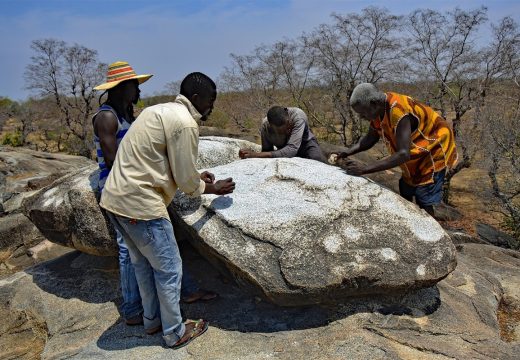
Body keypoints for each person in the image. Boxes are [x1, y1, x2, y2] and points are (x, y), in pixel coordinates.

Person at [99, 72, 235, 348]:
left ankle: (152, 322)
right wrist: (211, 188)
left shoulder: (158, 110)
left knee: (143, 265)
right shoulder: (185, 123)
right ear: (196, 99)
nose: (212, 106)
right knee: (170, 269)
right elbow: (184, 179)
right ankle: (174, 332)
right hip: (141, 204)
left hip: (115, 198)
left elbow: (162, 161)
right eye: (211, 99)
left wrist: (196, 176)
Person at [337, 83, 457, 217]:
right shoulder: (378, 111)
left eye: (363, 113)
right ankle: (409, 219)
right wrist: (349, 151)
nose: (362, 117)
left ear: (374, 103)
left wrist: (365, 169)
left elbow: (403, 154)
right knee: (406, 187)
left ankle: (430, 228)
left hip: (434, 146)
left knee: (424, 193)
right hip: (415, 149)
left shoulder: (398, 111)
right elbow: (371, 138)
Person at [93, 61, 152, 326]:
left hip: (132, 183)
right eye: (134, 86)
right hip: (118, 187)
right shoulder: (106, 116)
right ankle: (131, 308)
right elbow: (112, 159)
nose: (138, 91)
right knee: (127, 248)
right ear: (120, 88)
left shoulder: (128, 113)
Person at [238, 106, 325, 162]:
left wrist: (255, 155)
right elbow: (266, 151)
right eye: (281, 132)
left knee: (317, 159)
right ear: (271, 126)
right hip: (284, 147)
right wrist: (251, 155)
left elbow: (291, 150)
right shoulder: (265, 126)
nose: (287, 131)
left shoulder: (298, 116)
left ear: (287, 119)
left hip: (305, 143)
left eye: (288, 127)